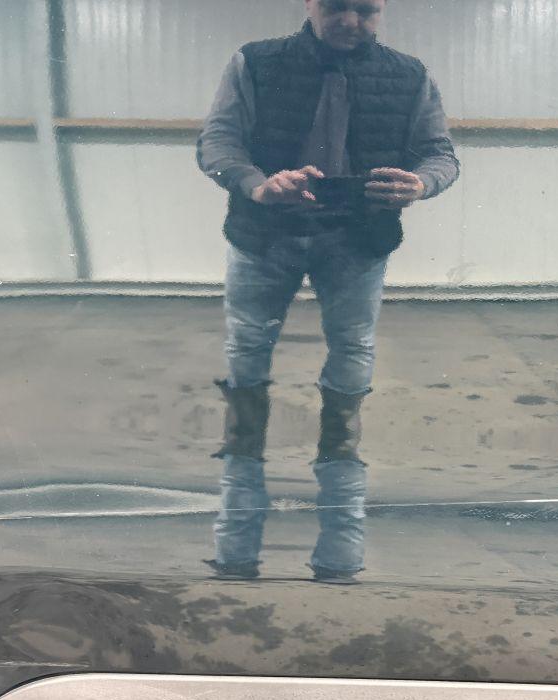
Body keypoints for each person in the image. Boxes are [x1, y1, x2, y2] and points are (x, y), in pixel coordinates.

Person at [197, 0, 460, 583]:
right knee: (247, 351)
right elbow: (217, 144)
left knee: (352, 349)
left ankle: (336, 467)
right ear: (311, 4)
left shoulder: (410, 75)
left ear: (382, 9)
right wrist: (259, 186)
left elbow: (440, 155)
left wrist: (421, 184)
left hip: (356, 240)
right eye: (338, 7)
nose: (351, 21)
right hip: (265, 235)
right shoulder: (254, 63)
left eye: (366, 10)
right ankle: (244, 472)